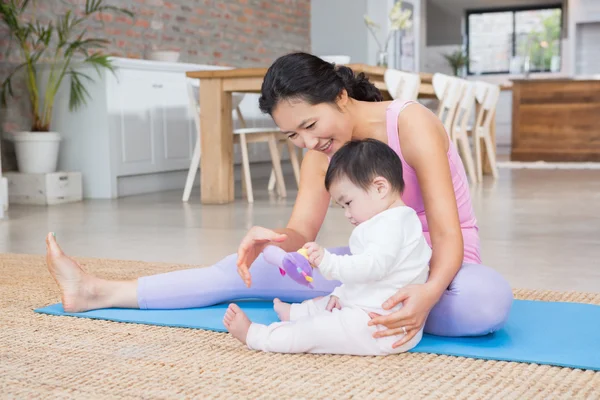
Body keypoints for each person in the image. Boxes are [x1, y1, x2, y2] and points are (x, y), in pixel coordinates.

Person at [45, 52, 513, 348]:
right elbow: (301, 234)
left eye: (310, 126)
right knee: (256, 266)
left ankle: (361, 309)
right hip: (367, 267)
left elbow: (450, 232)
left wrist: (429, 294)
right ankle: (98, 292)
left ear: (341, 96)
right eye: (292, 134)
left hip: (436, 261)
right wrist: (272, 241)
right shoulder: (321, 150)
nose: (307, 142)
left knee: (484, 301)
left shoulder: (411, 124)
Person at [224, 139, 431, 355]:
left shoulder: (391, 225)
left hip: (380, 328)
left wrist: (327, 261)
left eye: (348, 203)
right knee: (327, 300)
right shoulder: (392, 220)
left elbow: (373, 267)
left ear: (380, 187)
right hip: (369, 310)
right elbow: (372, 279)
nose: (347, 214)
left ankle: (257, 335)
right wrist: (342, 293)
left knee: (312, 332)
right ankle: (297, 313)